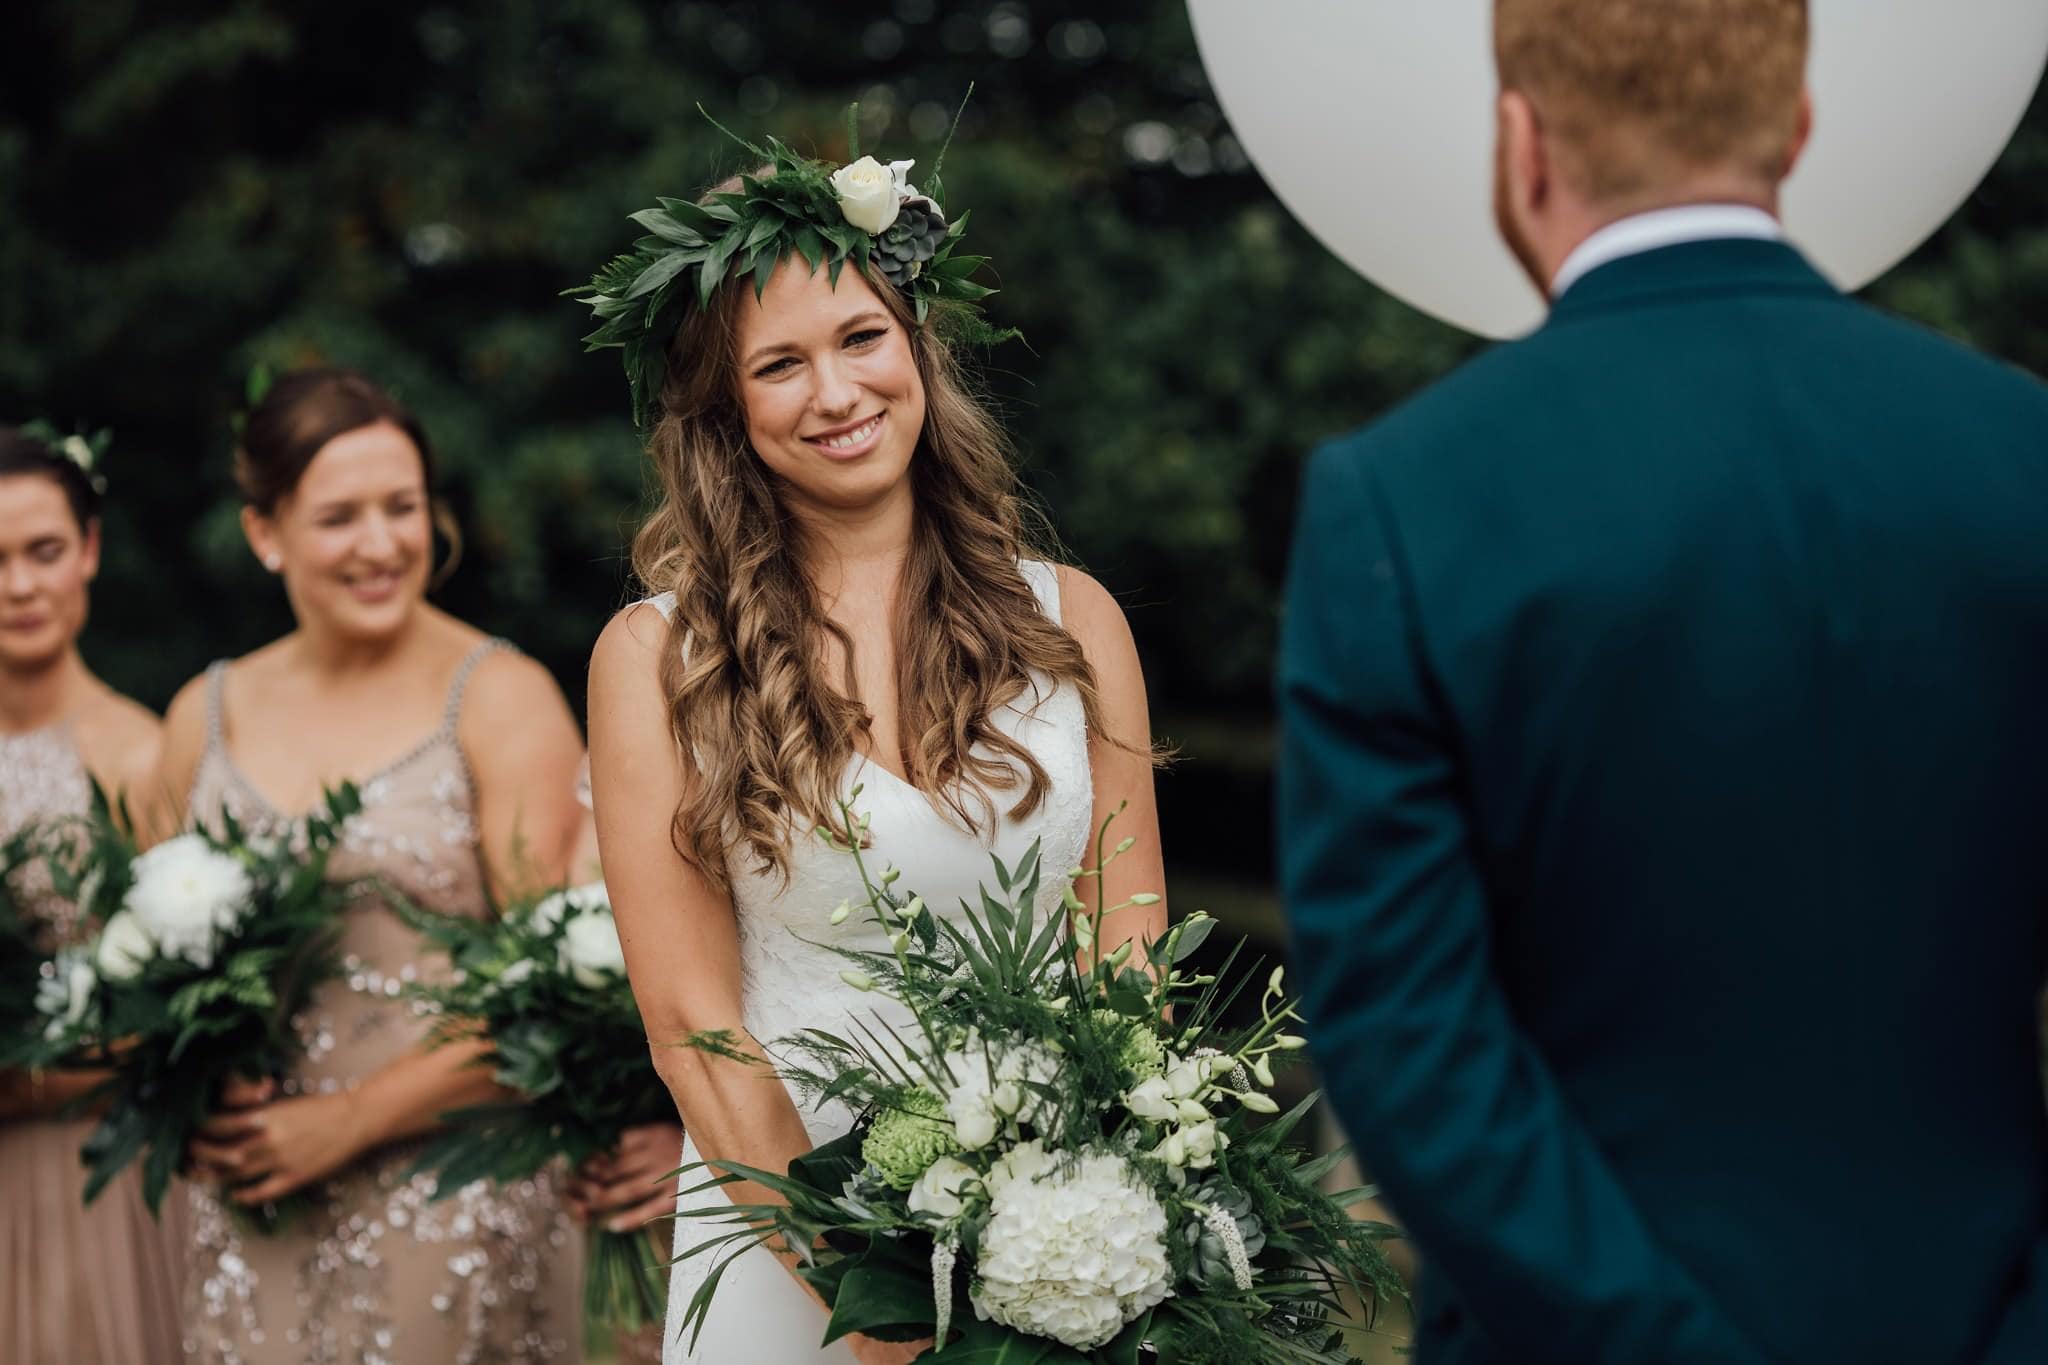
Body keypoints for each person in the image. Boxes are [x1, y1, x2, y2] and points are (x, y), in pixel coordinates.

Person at [1277, 0, 2048, 1361]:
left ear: (1521, 142)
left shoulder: (1405, 503)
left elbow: (1405, 1035)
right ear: (1798, 127)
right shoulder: (2019, 452)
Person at [583, 143, 1166, 1365]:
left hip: (1051, 1242)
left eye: (861, 338)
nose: (837, 392)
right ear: (722, 409)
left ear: (916, 349)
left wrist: (1086, 1227)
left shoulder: (1073, 620)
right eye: (779, 364)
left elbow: (1127, 969)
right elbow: (695, 1027)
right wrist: (877, 1311)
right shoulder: (657, 661)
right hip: (784, 1240)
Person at [152, 367, 591, 1363]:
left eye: (403, 507)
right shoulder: (202, 714)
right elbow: (151, 975)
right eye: (340, 516)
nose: (383, 543)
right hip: (251, 1207)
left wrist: (349, 1119)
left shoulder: (499, 697)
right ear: (265, 533)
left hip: (457, 1194)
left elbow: (551, 988)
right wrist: (201, 1086)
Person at [0, 425, 186, 1363]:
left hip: (92, 1171)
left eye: (44, 551)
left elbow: (179, 1008)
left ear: (91, 552)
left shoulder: (144, 754)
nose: (20, 585)